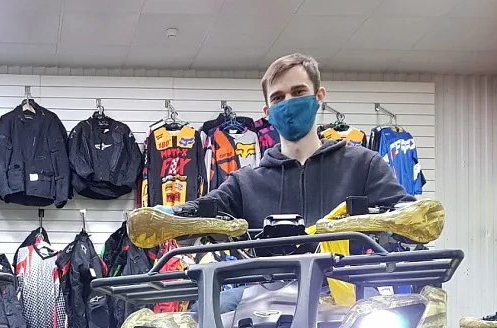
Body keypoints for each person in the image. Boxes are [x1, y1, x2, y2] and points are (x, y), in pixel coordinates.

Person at [164, 52, 411, 228]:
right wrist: (165, 215)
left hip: (346, 285)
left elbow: (408, 216)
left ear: (319, 96)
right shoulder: (246, 183)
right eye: (278, 97)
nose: (289, 102)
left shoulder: (363, 166)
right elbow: (201, 210)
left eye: (299, 92)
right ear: (267, 112)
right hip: (271, 286)